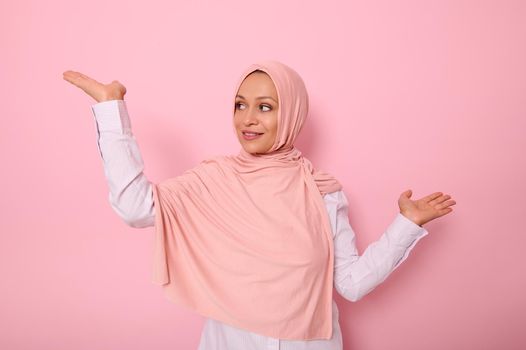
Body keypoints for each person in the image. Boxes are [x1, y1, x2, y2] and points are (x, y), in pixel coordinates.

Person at [63, 60, 456, 350]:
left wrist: (406, 225)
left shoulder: (322, 191)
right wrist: (111, 111)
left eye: (265, 106)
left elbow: (350, 285)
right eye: (240, 104)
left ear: (292, 113)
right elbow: (135, 207)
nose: (247, 119)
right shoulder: (212, 181)